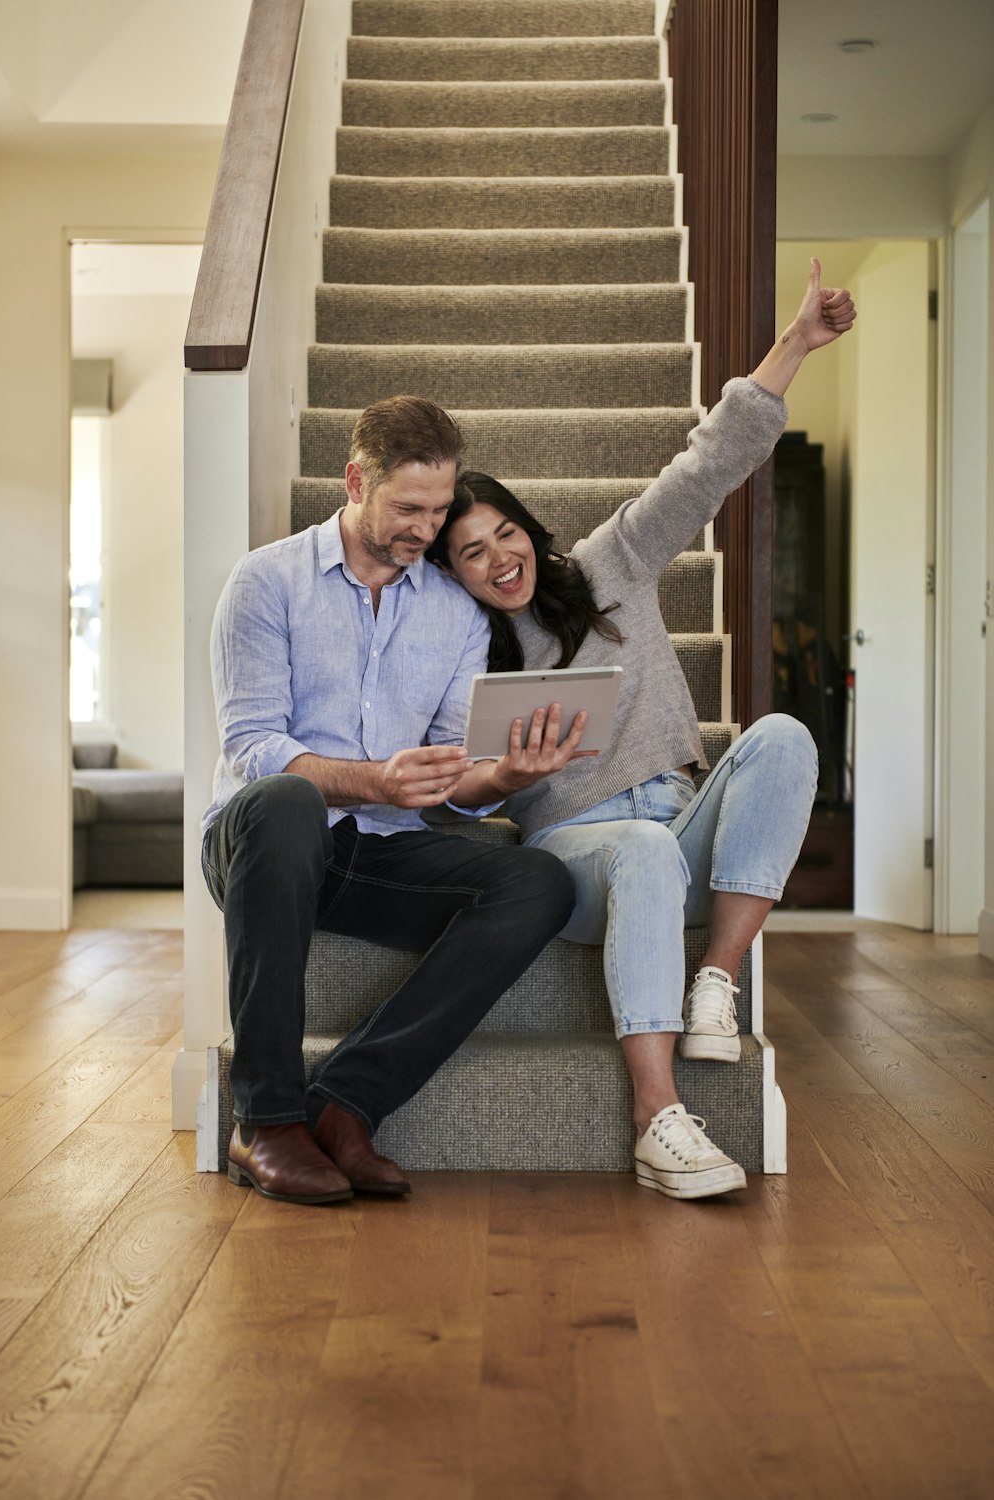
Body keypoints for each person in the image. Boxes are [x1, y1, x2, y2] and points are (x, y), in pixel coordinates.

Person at [426, 259, 857, 1201]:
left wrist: (795, 345)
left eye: (504, 535)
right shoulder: (460, 654)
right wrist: (502, 781)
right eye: (469, 554)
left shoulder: (610, 563)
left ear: (528, 531)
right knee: (643, 855)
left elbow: (710, 463)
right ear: (451, 575)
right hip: (579, 858)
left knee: (782, 733)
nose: (498, 560)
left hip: (678, 818)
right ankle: (655, 1117)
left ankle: (715, 982)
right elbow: (445, 786)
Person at [202, 395, 586, 1206]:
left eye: (440, 509)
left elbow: (452, 771)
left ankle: (344, 1104)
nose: (426, 529)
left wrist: (504, 780)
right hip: (264, 846)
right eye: (408, 508)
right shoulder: (266, 582)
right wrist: (374, 778)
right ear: (354, 482)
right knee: (286, 801)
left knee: (539, 881)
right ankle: (265, 1119)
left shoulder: (454, 611)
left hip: (377, 852)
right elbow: (253, 745)